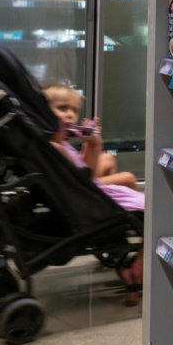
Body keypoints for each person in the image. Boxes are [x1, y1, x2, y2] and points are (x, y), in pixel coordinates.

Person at [41, 84, 144, 302]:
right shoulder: (56, 149)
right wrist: (93, 146)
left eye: (73, 110)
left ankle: (118, 238)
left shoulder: (58, 143)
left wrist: (91, 145)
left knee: (107, 160)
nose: (70, 114)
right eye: (61, 108)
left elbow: (82, 171)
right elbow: (85, 181)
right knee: (151, 214)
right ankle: (137, 270)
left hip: (79, 192)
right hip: (86, 200)